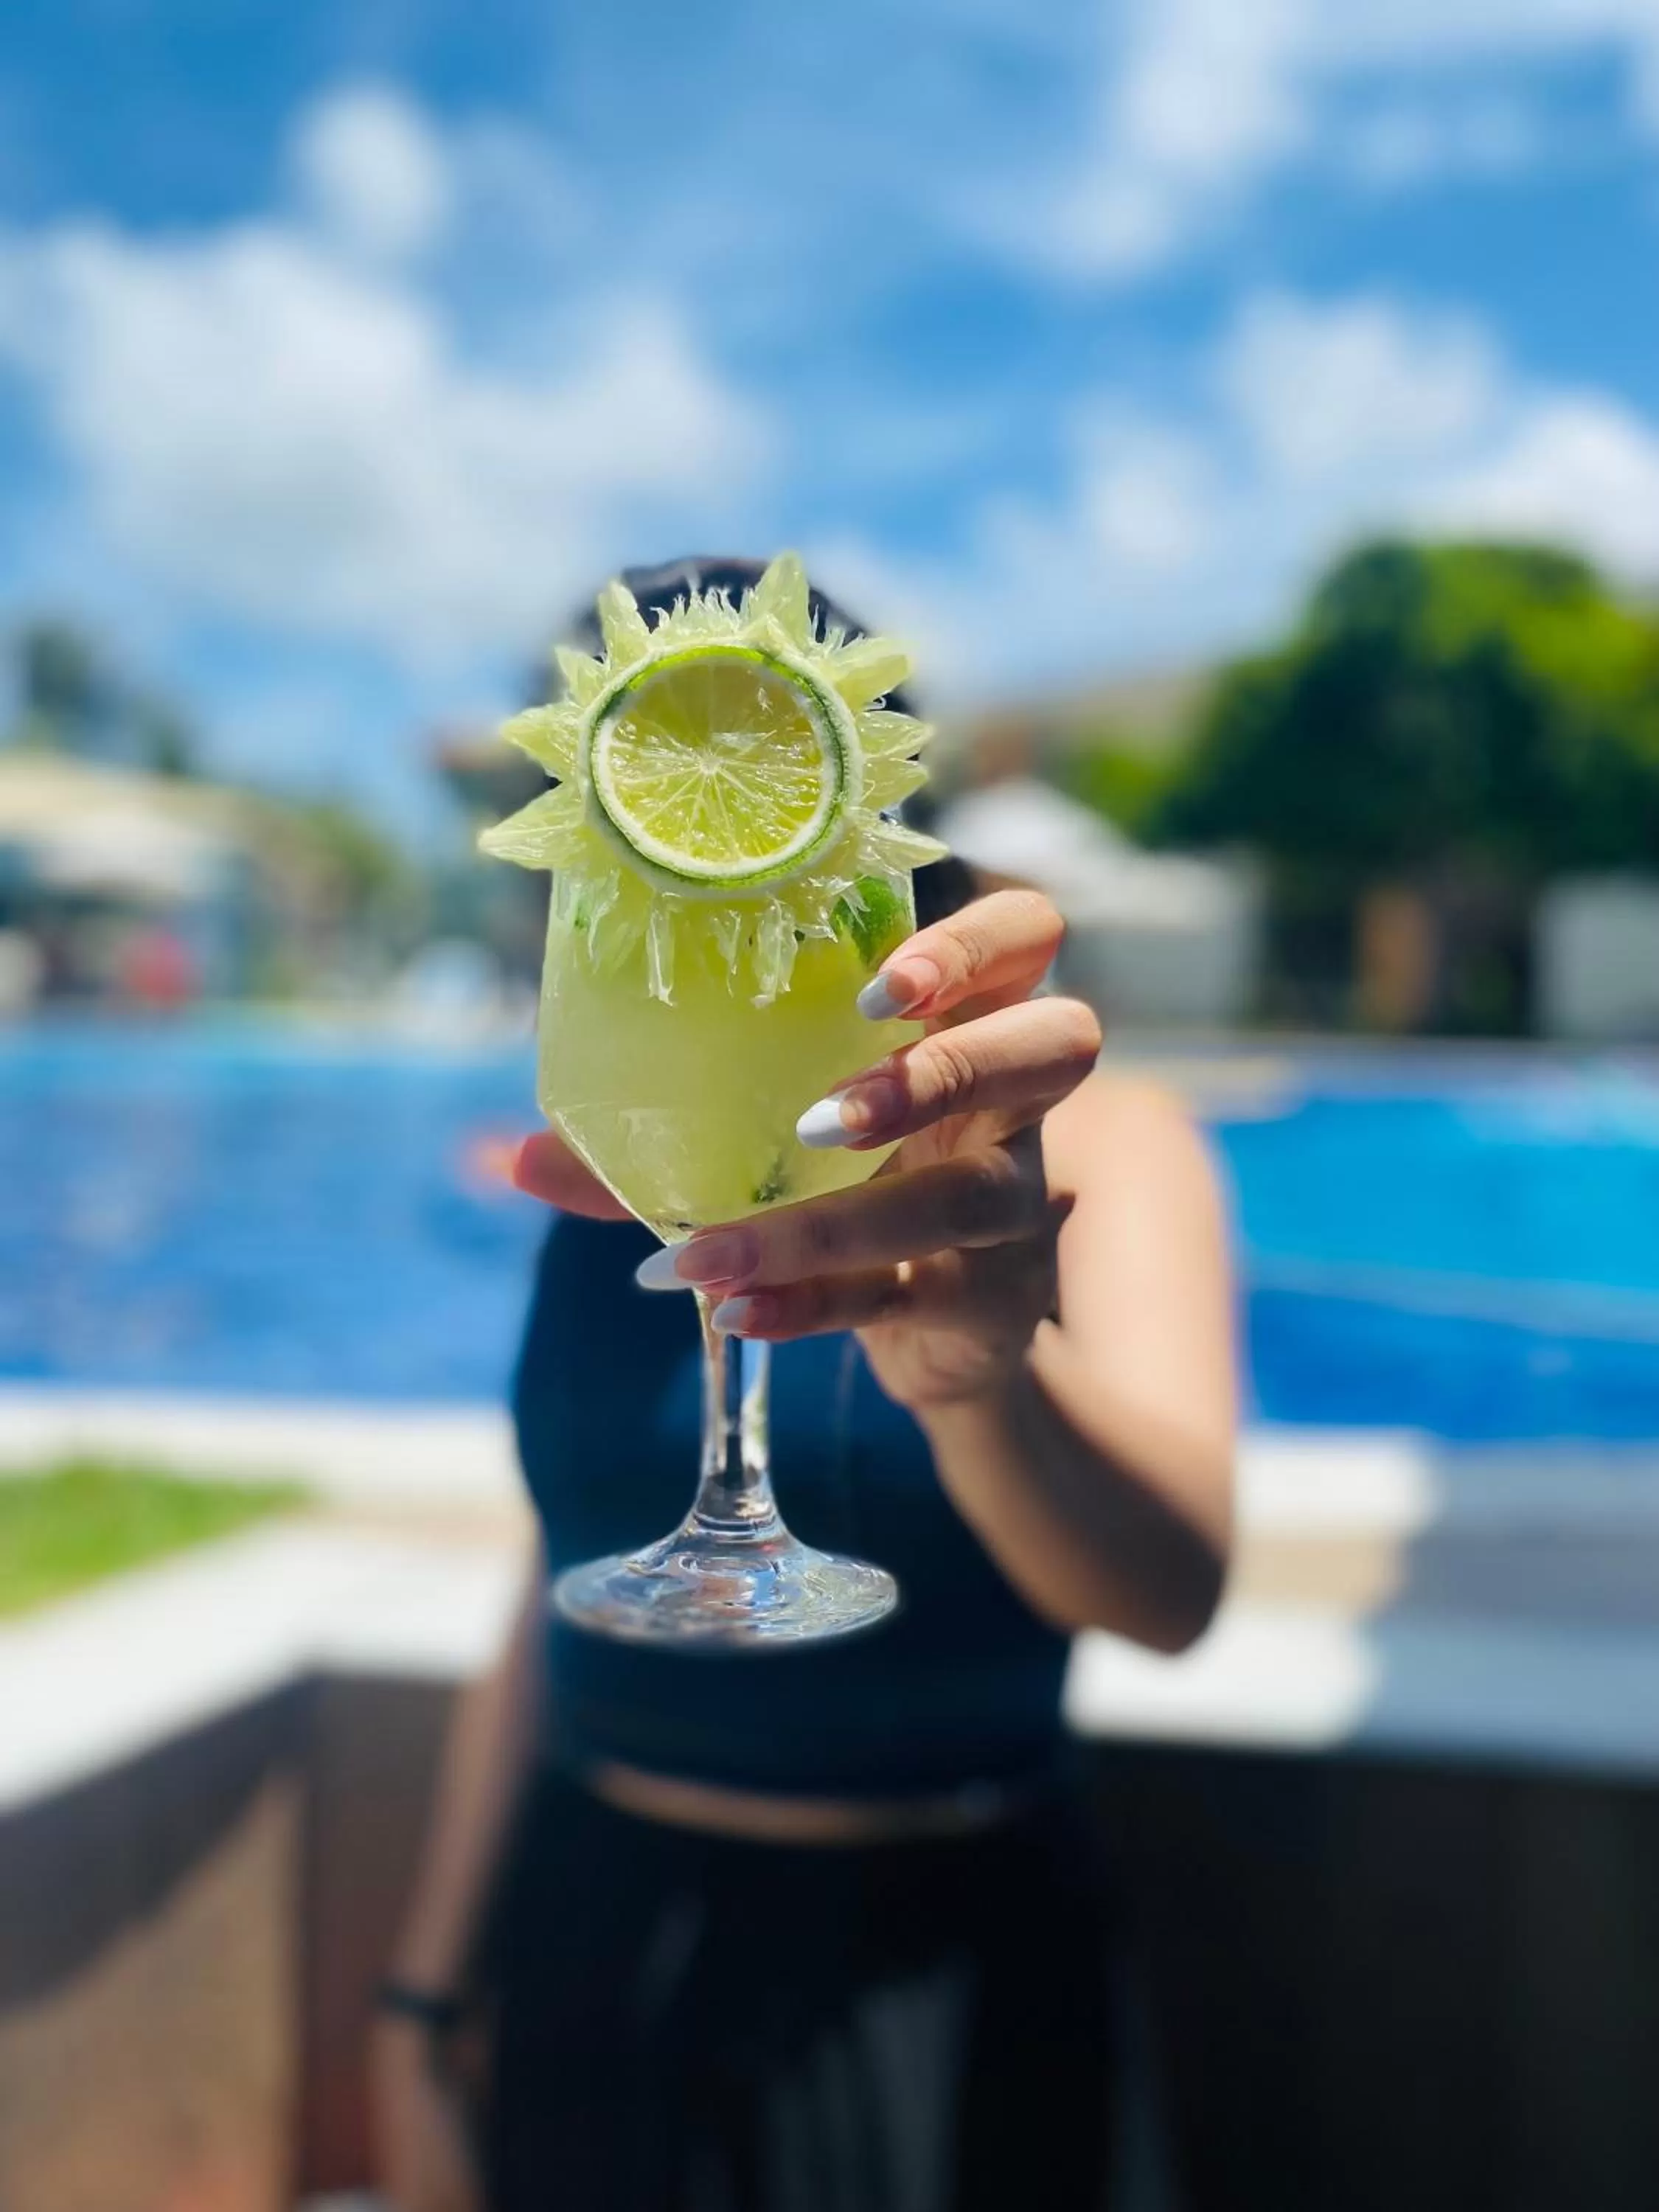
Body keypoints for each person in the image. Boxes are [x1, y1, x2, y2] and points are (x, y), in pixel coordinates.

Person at [372, 557, 1237, 2212]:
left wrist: (979, 1380)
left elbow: (1173, 1591)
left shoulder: (1082, 1144)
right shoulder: (611, 1145)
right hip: (593, 1933)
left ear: (861, 785)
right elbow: (557, 1572)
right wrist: (421, 2007)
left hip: (948, 1975)